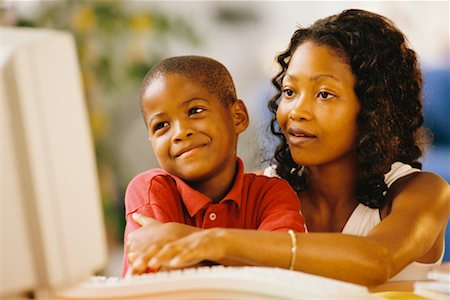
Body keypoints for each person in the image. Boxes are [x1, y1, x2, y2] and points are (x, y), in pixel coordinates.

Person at [132, 10, 450, 286]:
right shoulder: (265, 195)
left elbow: (377, 260)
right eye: (289, 90)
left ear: (374, 107)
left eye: (324, 94)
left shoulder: (421, 192)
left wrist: (208, 241)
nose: (296, 110)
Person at [123, 55, 306, 276]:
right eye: (161, 125)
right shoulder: (151, 189)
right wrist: (251, 262)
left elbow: (284, 266)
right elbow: (162, 279)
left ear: (238, 117)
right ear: (152, 141)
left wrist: (183, 240)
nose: (180, 132)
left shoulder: (271, 193)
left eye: (195, 111)